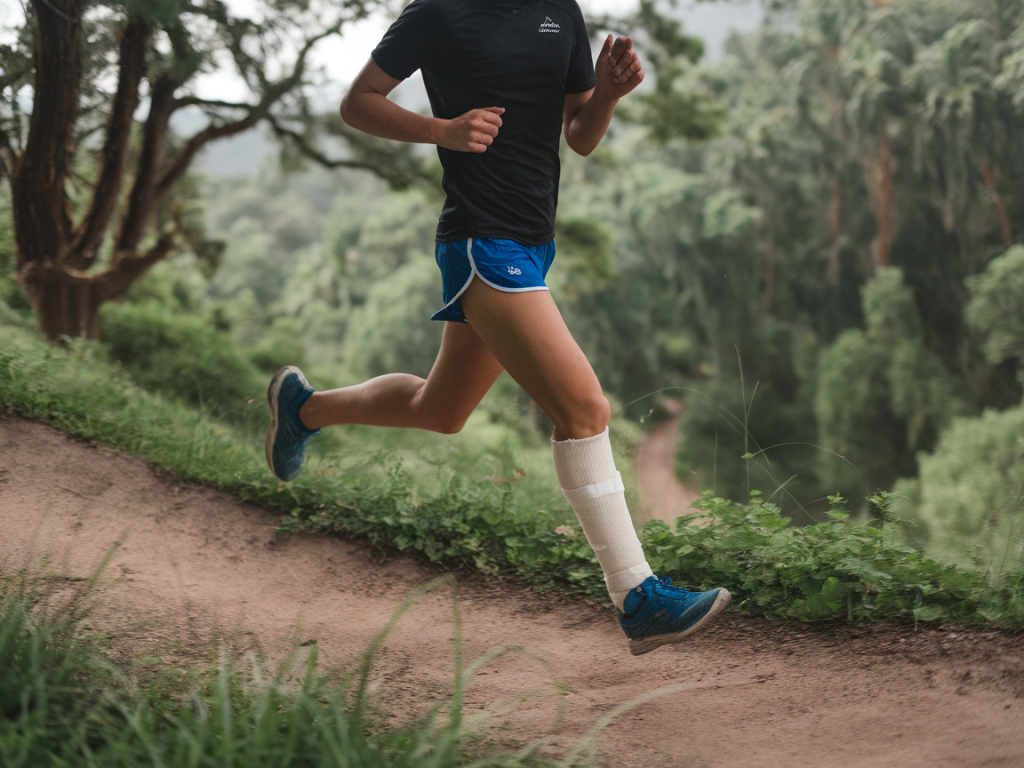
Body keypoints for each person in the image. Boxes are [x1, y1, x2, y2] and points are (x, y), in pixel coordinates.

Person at [265, 0, 730, 655]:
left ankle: (304, 408)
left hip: (535, 242)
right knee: (585, 407)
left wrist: (611, 96)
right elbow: (358, 102)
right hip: (483, 242)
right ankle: (637, 596)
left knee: (441, 408)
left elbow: (581, 132)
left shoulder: (560, 13)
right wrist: (443, 131)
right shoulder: (439, 14)